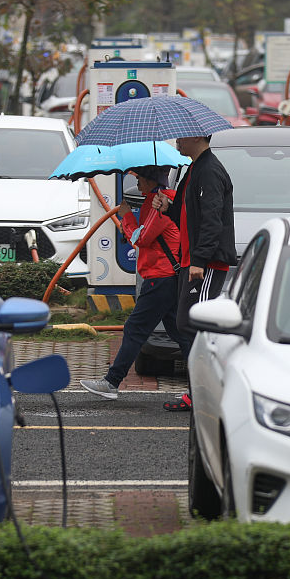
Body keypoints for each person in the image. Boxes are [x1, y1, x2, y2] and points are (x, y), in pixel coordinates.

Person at [80, 166, 186, 400]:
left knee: (135, 329)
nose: (136, 184)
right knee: (181, 334)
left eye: (140, 179)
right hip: (164, 277)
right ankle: (206, 382)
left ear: (152, 180)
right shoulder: (157, 199)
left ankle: (111, 382)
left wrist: (126, 216)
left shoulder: (161, 202)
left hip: (160, 277)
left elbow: (141, 238)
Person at [151, 135, 237, 412]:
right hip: (191, 261)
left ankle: (210, 389)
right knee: (189, 324)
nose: (177, 141)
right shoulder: (194, 168)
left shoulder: (210, 170)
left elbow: (213, 220)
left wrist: (199, 261)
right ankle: (202, 391)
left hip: (206, 264)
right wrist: (167, 207)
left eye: (182, 136)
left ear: (197, 136)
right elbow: (186, 214)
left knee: (195, 324)